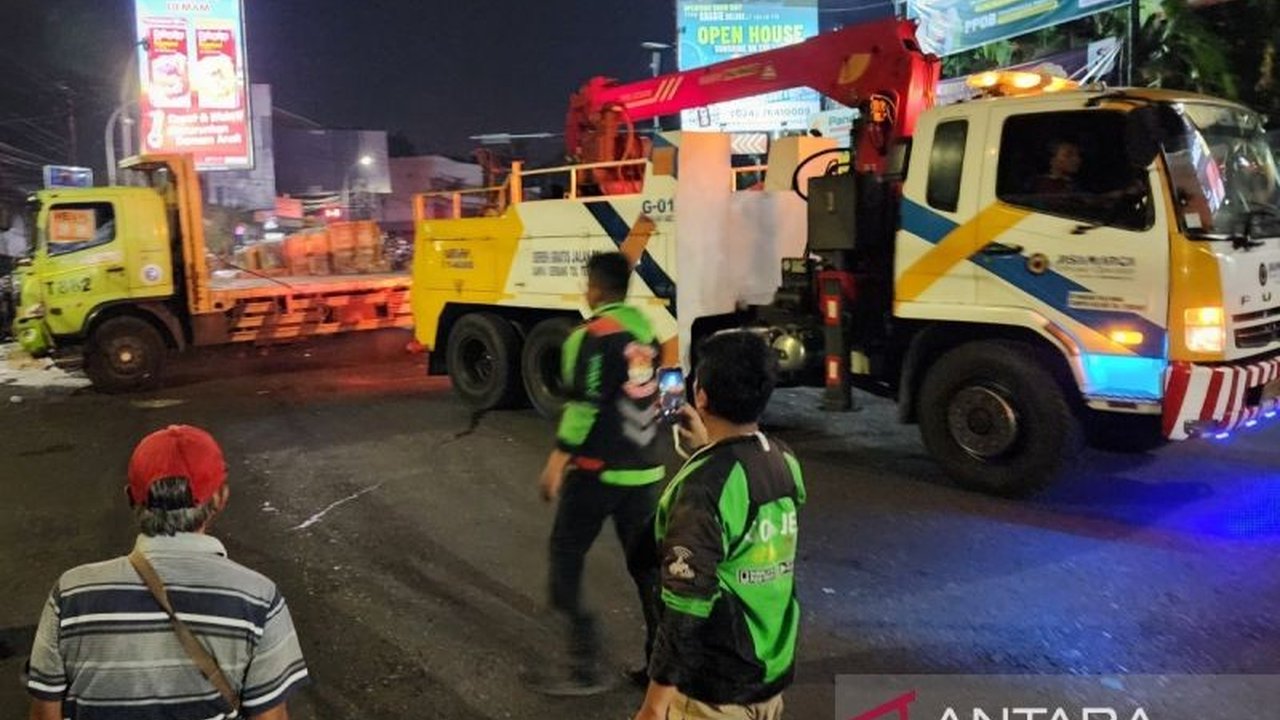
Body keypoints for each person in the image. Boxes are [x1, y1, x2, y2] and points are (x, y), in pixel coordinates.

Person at [24, 425, 309, 720]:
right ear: (221, 497)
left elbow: (44, 715)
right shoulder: (258, 599)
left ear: (130, 497)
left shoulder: (71, 593)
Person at [634, 331, 805, 720]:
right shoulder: (784, 461)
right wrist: (708, 448)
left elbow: (686, 607)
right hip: (770, 674)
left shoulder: (703, 489)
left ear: (701, 396)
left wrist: (654, 706)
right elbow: (739, 503)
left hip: (716, 691)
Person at [536, 251, 665, 695]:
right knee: (647, 570)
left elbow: (584, 405)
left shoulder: (590, 336)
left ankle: (582, 666)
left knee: (566, 554)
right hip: (645, 471)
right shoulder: (646, 330)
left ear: (594, 288)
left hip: (598, 473)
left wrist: (558, 460)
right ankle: (661, 668)